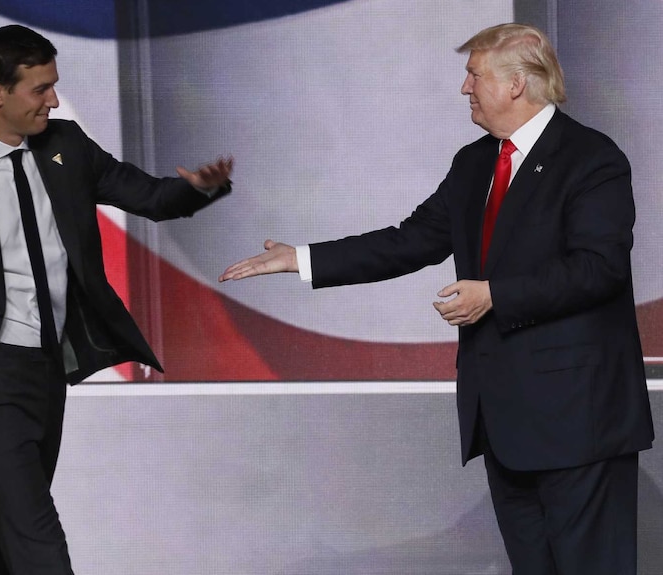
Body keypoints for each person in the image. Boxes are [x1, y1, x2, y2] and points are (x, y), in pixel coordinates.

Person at [220, 23, 653, 575]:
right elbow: (409, 240)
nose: (464, 88)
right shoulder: (475, 164)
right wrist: (302, 259)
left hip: (581, 425)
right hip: (505, 427)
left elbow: (600, 269)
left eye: (474, 75)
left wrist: (495, 295)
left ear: (517, 84)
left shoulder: (591, 158)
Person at [0, 24, 232, 575]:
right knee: (38, 544)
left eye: (53, 86)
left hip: (47, 371)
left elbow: (149, 195)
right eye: (40, 89)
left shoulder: (68, 146)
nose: (53, 100)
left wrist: (198, 187)